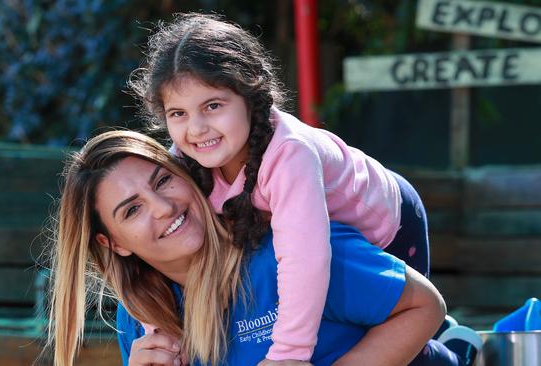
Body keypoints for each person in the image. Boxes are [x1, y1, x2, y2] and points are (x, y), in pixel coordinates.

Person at [129, 13, 430, 363]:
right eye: (178, 113)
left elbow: (305, 259)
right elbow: (149, 259)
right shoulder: (184, 159)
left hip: (389, 221)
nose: (196, 129)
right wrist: (156, 330)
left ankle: (452, 350)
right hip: (323, 239)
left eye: (212, 106)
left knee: (403, 342)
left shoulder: (290, 154)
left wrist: (288, 355)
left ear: (249, 95)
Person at [47, 131, 478, 366]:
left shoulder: (291, 252)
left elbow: (424, 306)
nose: (163, 207)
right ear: (113, 243)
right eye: (132, 210)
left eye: (163, 181)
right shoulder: (139, 318)